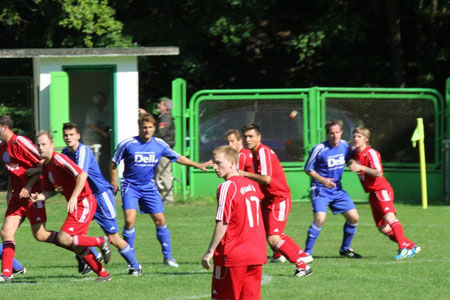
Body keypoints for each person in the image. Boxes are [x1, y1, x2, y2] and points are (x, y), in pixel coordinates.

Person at [110, 113, 211, 268]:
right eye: (144, 127)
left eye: (150, 127)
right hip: (130, 186)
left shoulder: (159, 144)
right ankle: (130, 258)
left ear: (154, 128)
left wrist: (198, 165)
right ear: (139, 127)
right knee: (129, 220)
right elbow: (113, 163)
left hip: (149, 187)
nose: (147, 130)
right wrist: (114, 184)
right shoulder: (128, 143)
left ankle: (168, 257)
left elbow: (177, 157)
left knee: (160, 220)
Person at [62, 122, 142, 275]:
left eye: (72, 135)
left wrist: (72, 195)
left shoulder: (83, 151)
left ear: (78, 136)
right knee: (75, 234)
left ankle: (135, 266)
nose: (68, 138)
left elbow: (81, 175)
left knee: (112, 236)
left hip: (100, 196)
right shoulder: (65, 152)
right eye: (66, 135)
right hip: (85, 198)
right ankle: (91, 256)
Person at [31, 131, 112, 282]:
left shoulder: (59, 158)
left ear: (52, 145)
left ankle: (100, 241)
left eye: (44, 144)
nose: (40, 148)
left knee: (64, 238)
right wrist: (39, 197)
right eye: (38, 145)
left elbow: (82, 175)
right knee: (77, 246)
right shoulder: (46, 166)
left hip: (84, 202)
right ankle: (104, 275)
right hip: (76, 206)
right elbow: (50, 191)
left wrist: (74, 196)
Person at [239, 123, 312, 277]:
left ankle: (303, 266)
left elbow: (266, 179)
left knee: (273, 238)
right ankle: (301, 254)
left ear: (259, 137)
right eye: (245, 136)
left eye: (251, 136)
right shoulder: (255, 153)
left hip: (279, 199)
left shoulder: (263, 152)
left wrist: (243, 174)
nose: (248, 139)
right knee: (271, 234)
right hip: (268, 199)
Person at [202, 145, 266, 299]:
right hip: (256, 254)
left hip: (233, 256)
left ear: (232, 163)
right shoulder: (252, 185)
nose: (215, 167)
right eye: (213, 163)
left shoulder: (227, 187)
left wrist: (210, 251)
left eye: (218, 163)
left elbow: (223, 221)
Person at [0, 116, 59, 283]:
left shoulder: (20, 142)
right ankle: (6, 273)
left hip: (34, 195)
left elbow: (42, 164)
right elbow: (13, 169)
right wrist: (10, 190)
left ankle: (81, 245)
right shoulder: (2, 147)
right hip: (18, 197)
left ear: (4, 127)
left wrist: (29, 186)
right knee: (6, 232)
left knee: (40, 235)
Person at [349, 127, 421, 260]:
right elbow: (351, 159)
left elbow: (378, 172)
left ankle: (403, 248)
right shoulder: (354, 153)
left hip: (381, 189)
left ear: (366, 139)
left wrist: (360, 167)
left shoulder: (371, 153)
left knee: (389, 217)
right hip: (372, 193)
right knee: (382, 227)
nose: (356, 139)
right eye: (354, 136)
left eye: (359, 136)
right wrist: (352, 162)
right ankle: (411, 246)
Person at [304, 119, 361, 261]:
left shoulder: (344, 146)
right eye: (331, 133)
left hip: (337, 189)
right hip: (320, 189)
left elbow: (349, 159)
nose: (334, 136)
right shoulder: (319, 149)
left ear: (341, 132)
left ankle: (345, 249)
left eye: (337, 132)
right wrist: (323, 180)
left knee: (354, 217)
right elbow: (308, 169)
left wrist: (352, 163)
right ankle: (306, 253)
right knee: (320, 218)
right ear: (327, 134)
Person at [82, 93, 111, 176]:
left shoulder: (102, 112)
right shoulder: (92, 112)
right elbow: (92, 125)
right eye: (103, 100)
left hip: (98, 138)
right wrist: (103, 133)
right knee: (92, 158)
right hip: (90, 138)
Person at [154, 97, 176, 205]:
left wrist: (150, 138)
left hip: (164, 149)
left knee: (164, 172)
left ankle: (169, 198)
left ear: (166, 107)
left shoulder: (166, 117)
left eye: (161, 104)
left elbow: (162, 133)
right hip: (161, 148)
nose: (159, 106)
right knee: (159, 173)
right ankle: (163, 196)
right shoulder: (163, 117)